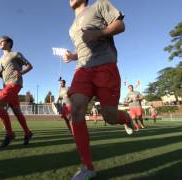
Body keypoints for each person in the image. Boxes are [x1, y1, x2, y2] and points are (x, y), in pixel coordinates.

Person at [62, 0, 133, 179]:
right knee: (76, 109)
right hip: (82, 69)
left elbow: (120, 25)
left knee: (110, 117)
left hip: (105, 65)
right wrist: (73, 55)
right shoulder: (71, 27)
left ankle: (126, 118)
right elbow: (84, 46)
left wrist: (100, 33)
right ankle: (87, 167)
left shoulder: (100, 5)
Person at [0, 35, 33, 148]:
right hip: (6, 85)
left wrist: (21, 72)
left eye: (2, 41)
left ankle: (10, 134)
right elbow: (2, 76)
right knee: (17, 112)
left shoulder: (16, 54)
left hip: (15, 83)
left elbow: (30, 66)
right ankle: (27, 132)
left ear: (9, 43)